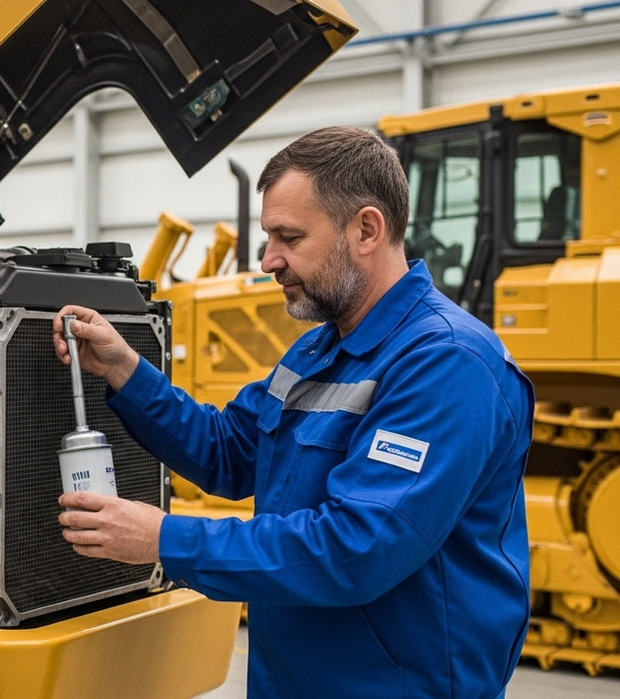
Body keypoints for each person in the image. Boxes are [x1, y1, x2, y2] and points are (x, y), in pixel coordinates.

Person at [53, 126, 533, 697]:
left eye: (288, 237)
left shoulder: (448, 363)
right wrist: (125, 370)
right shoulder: (317, 350)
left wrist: (165, 539)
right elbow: (228, 451)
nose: (267, 260)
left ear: (366, 229)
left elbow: (357, 549)